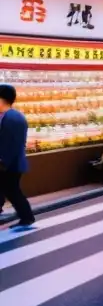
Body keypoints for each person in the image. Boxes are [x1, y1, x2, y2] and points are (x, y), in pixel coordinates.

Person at [0, 84, 34, 230]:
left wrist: (2, 161)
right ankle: (26, 217)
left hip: (10, 163)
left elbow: (9, 144)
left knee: (12, 190)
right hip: (13, 161)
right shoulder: (12, 115)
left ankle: (27, 217)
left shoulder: (11, 118)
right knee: (8, 189)